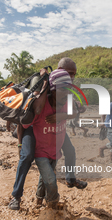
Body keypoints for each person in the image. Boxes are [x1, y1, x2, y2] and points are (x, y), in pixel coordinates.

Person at [8, 58, 87, 210]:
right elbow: (26, 116)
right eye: (69, 73)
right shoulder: (43, 85)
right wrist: (19, 143)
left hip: (53, 130)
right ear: (58, 69)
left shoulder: (65, 88)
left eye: (74, 75)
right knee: (27, 156)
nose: (71, 77)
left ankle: (67, 181)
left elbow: (73, 111)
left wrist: (61, 115)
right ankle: (16, 196)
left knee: (66, 152)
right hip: (34, 127)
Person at [21, 69, 74, 208]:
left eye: (69, 89)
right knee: (51, 180)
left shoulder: (66, 104)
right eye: (63, 89)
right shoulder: (41, 107)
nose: (67, 93)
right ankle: (53, 207)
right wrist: (21, 146)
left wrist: (61, 116)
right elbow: (24, 124)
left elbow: (76, 111)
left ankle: (39, 200)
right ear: (54, 90)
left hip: (55, 151)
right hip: (41, 152)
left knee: (44, 177)